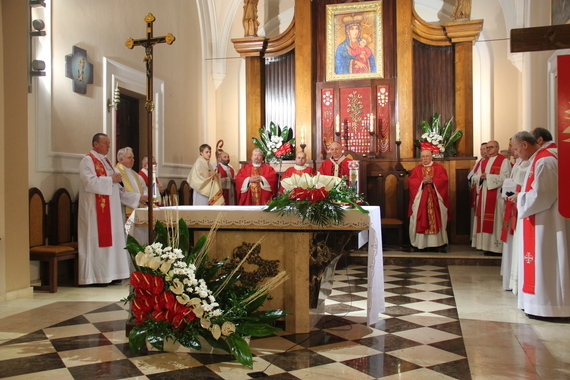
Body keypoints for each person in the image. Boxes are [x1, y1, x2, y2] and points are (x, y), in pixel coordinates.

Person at [509, 131, 570, 318]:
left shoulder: (546, 160)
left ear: (525, 145)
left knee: (547, 260)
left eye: (516, 148)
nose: (516, 153)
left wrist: (520, 199)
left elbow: (543, 194)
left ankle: (549, 306)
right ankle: (537, 304)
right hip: (542, 218)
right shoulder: (540, 158)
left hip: (548, 221)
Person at [77, 133, 143, 286]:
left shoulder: (106, 162)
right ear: (95, 144)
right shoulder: (88, 160)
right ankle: (97, 276)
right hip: (95, 211)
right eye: (105, 143)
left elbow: (116, 188)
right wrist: (111, 179)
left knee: (114, 242)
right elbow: (89, 182)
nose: (108, 146)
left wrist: (135, 197)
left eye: (109, 143)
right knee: (98, 242)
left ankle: (112, 274)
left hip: (112, 211)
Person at [471, 140, 511, 255]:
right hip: (484, 195)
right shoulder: (483, 162)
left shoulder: (503, 161)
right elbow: (475, 176)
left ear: (497, 148)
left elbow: (506, 178)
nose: (488, 150)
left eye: (490, 147)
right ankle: (485, 246)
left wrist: (488, 177)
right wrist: (480, 177)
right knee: (483, 220)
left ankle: (496, 248)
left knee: (496, 221)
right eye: (487, 147)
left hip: (496, 196)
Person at [408, 150, 450, 252]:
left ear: (431, 157)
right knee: (419, 217)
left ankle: (436, 243)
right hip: (420, 200)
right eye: (423, 157)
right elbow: (411, 181)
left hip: (435, 200)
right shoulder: (416, 169)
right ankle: (420, 243)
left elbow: (444, 180)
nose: (425, 158)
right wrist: (422, 181)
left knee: (437, 218)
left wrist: (433, 181)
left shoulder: (439, 168)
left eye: (427, 156)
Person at [115, 147, 148, 218]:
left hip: (138, 207)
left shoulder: (135, 174)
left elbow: (144, 188)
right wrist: (138, 197)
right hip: (123, 210)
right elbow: (118, 193)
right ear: (121, 159)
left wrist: (144, 196)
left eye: (133, 158)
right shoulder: (116, 173)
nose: (132, 160)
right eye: (129, 158)